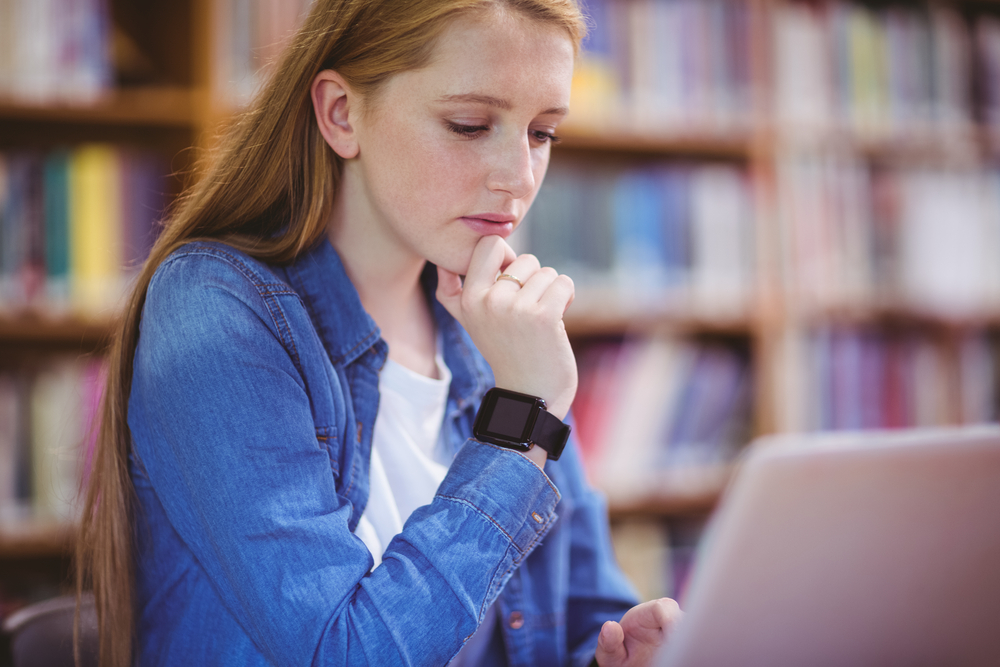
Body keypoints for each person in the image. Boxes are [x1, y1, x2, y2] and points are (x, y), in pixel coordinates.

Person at [76, 1, 681, 665]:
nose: (518, 175)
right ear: (341, 114)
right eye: (470, 124)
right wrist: (522, 421)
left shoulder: (499, 336)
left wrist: (617, 655)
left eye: (542, 133)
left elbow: (581, 620)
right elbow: (344, 653)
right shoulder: (213, 311)